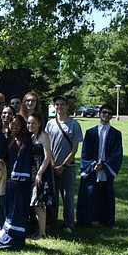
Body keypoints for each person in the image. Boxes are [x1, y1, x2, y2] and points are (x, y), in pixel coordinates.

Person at [77, 104, 123, 227]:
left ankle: (106, 220)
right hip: (92, 168)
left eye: (109, 113)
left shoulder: (116, 134)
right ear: (99, 114)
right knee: (89, 193)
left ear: (112, 116)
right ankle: (86, 219)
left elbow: (117, 153)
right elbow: (85, 152)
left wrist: (104, 165)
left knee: (106, 194)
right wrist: (93, 165)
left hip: (106, 168)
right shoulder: (90, 132)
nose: (106, 115)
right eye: (104, 112)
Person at [45, 95, 83, 233]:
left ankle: (69, 224)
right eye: (57, 104)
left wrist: (63, 165)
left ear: (67, 106)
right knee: (52, 195)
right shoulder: (50, 124)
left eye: (62, 104)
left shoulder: (74, 124)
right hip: (52, 165)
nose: (59, 107)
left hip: (68, 166)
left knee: (68, 196)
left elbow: (75, 148)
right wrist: (53, 162)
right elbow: (47, 145)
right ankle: (52, 223)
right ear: (54, 107)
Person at [0, 159, 27, 250]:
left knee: (5, 241)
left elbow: (14, 210)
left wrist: (5, 229)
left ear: (4, 171)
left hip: (11, 227)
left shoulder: (11, 186)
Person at [27, 112, 55, 239]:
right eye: (29, 123)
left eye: (33, 123)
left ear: (39, 124)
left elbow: (48, 156)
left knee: (38, 203)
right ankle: (40, 231)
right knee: (37, 203)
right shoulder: (31, 136)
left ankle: (42, 233)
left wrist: (39, 173)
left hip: (41, 172)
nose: (31, 125)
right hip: (32, 170)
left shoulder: (43, 136)